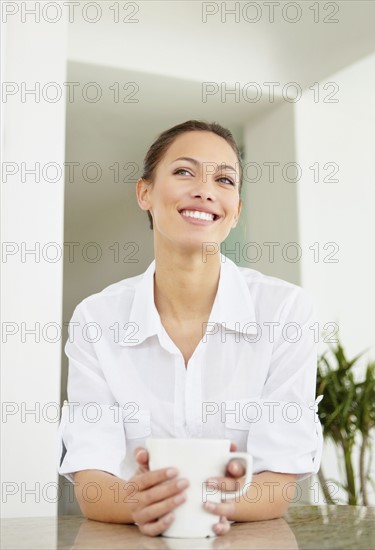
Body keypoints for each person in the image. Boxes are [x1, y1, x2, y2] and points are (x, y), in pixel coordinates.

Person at [57, 120, 323, 537]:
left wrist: (215, 501)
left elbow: (279, 479)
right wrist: (142, 502)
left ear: (235, 210)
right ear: (144, 192)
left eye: (224, 179)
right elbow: (93, 482)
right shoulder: (96, 320)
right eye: (184, 171)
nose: (205, 189)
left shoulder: (285, 311)